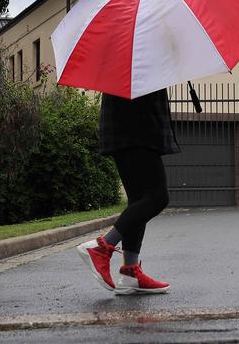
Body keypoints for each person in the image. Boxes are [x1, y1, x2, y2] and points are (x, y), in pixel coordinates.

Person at [76, 88, 180, 295]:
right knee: (157, 197)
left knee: (139, 200)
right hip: (136, 132)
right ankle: (102, 247)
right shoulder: (141, 59)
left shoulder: (131, 61)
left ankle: (131, 272)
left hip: (128, 132)